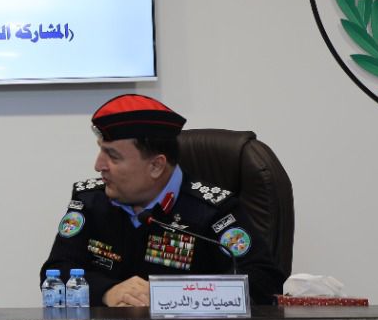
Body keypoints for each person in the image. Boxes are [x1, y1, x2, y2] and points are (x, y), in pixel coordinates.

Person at [40, 94, 284, 307]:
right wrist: (107, 291)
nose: (98, 165)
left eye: (112, 156)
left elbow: (263, 282)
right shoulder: (91, 202)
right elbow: (55, 273)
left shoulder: (213, 212)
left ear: (156, 166)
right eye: (100, 150)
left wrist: (167, 294)